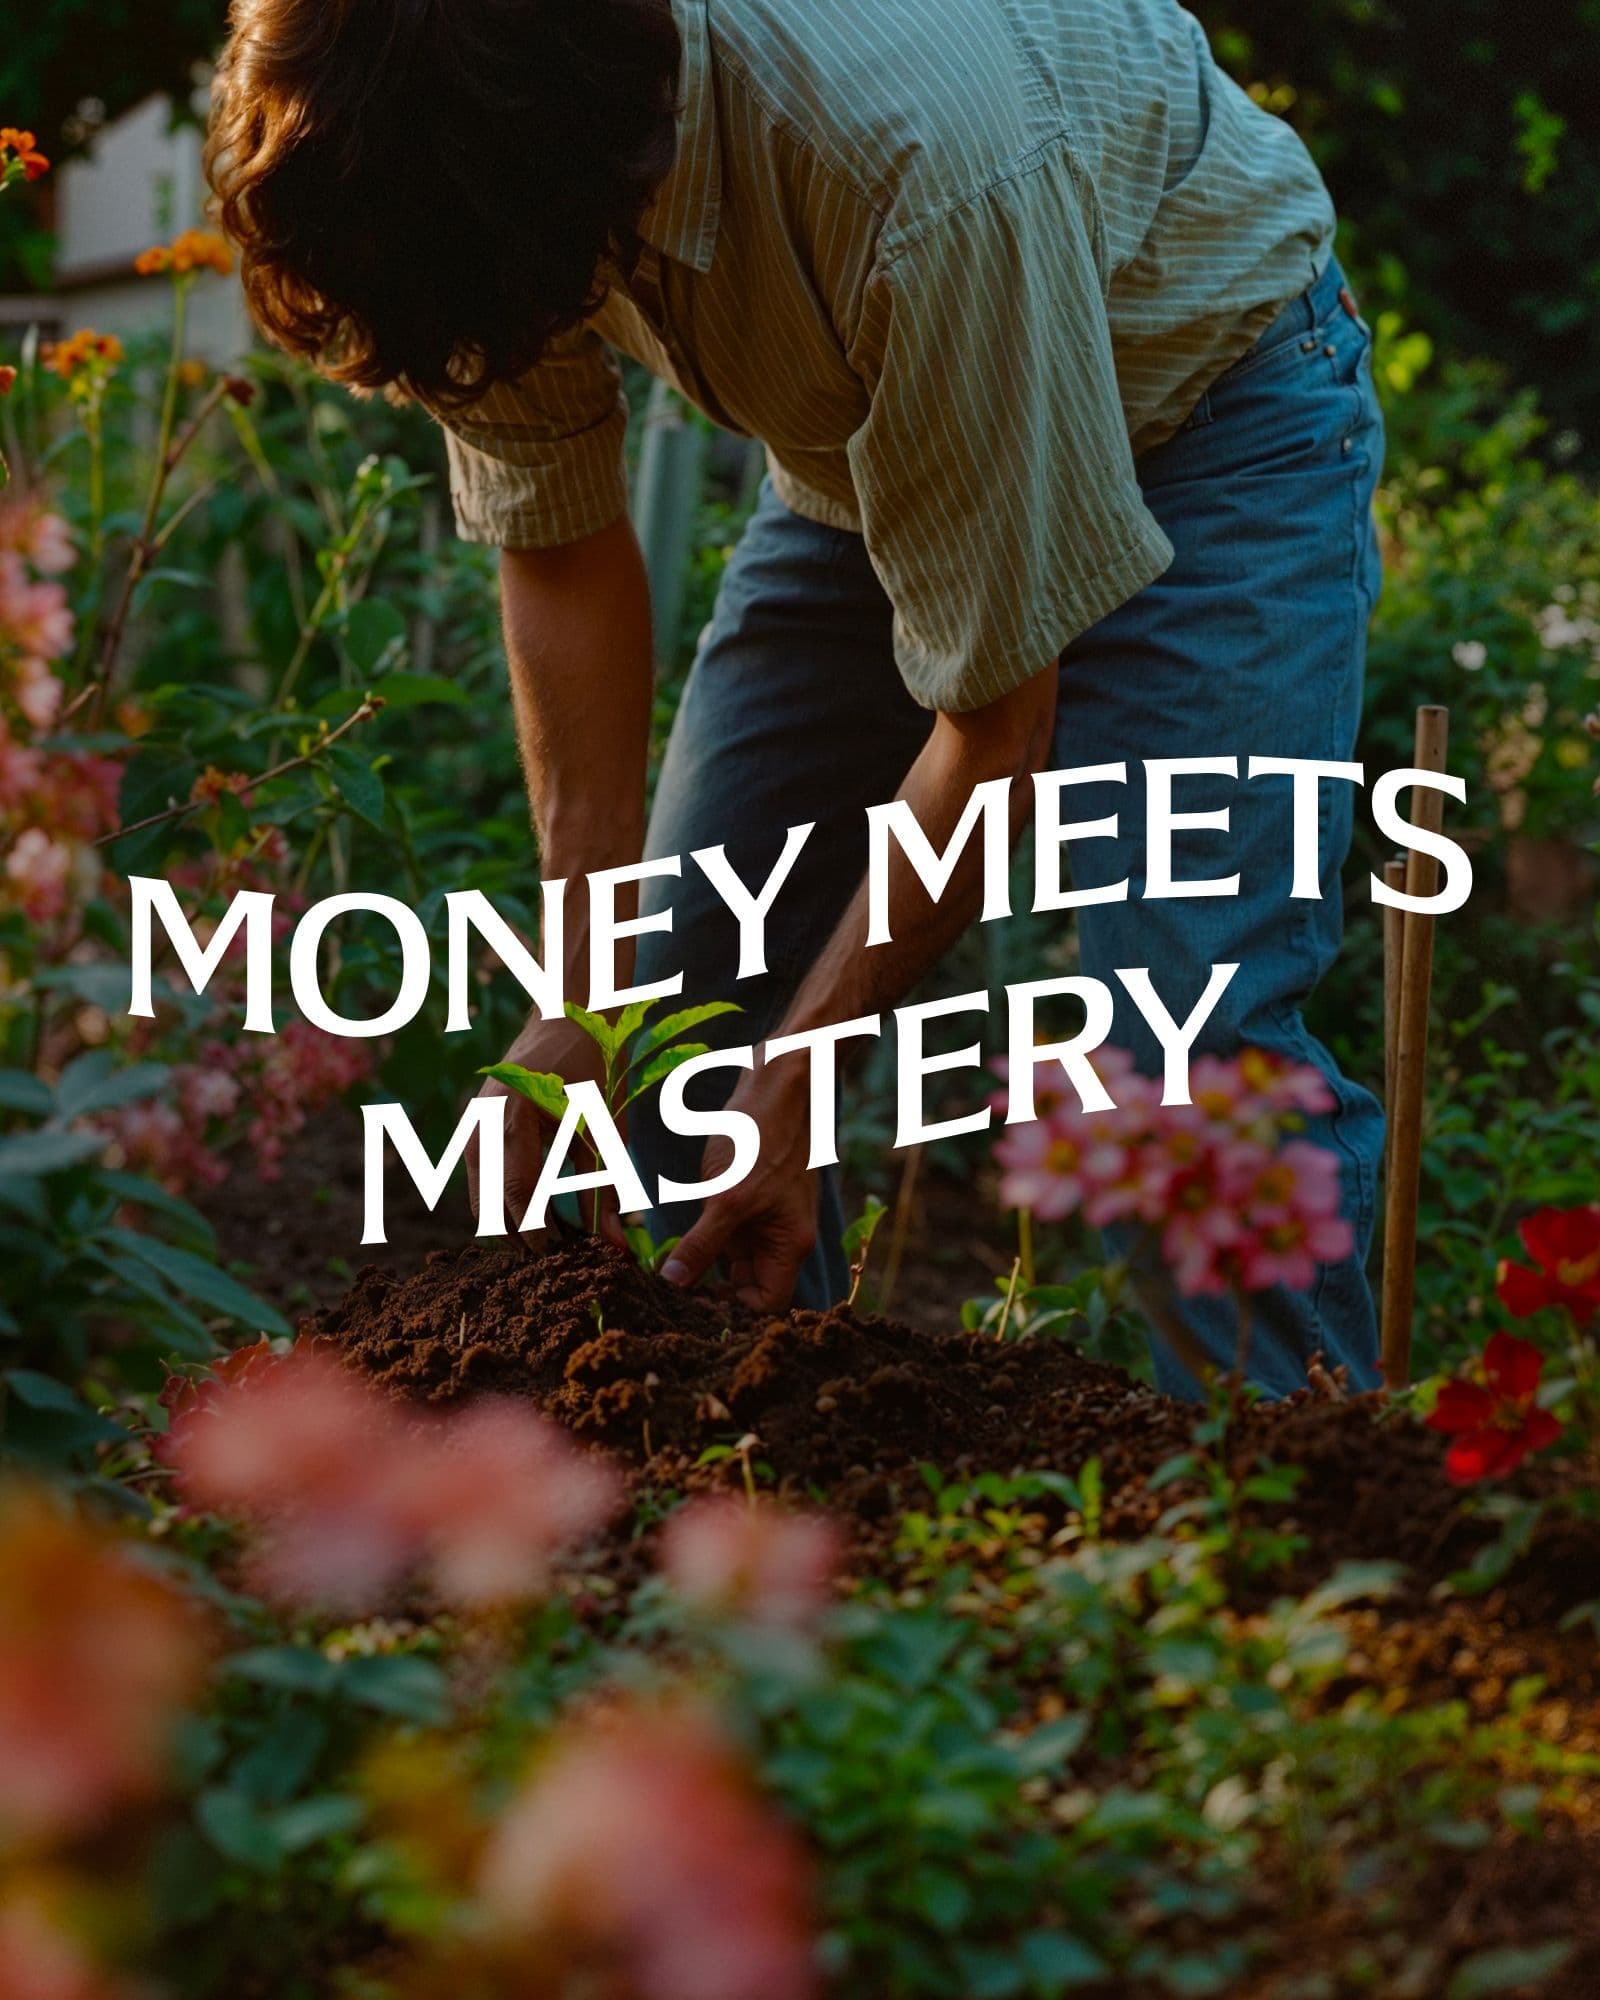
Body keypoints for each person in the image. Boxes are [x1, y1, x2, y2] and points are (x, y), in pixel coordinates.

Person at [208, 0, 1386, 1397]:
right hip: (869, 448)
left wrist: (808, 1063)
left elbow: (998, 725)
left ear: (581, 171)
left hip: (1212, 419)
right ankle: (744, 1486)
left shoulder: (911, 164)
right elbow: (562, 549)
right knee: (672, 1030)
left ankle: (1287, 1502)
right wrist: (583, 995)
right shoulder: (451, 156)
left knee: (1177, 1051)